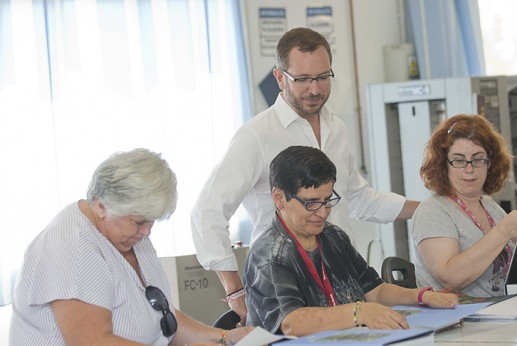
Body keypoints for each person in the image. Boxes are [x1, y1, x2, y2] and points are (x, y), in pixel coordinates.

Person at [191, 27, 420, 323]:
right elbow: (206, 213)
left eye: (323, 77)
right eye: (302, 80)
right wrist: (235, 291)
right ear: (279, 77)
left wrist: (426, 209)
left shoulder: (336, 128)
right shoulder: (256, 136)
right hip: (285, 284)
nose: (315, 89)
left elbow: (360, 199)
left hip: (340, 283)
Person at [9, 148, 252, 345]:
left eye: (151, 221)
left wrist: (224, 337)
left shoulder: (128, 233)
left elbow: (163, 317)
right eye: (139, 222)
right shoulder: (72, 248)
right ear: (102, 205)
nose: (147, 232)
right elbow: (94, 342)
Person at [244, 145, 458, 336]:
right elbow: (291, 323)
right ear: (279, 198)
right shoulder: (269, 255)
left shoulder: (332, 236)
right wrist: (359, 312)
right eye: (311, 203)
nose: (323, 213)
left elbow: (375, 290)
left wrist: (421, 297)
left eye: (327, 201)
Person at [411, 114, 517, 297]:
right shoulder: (432, 211)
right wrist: (503, 231)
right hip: (464, 318)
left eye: (478, 159)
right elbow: (450, 278)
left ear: (490, 163)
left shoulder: (487, 205)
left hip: (505, 309)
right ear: (442, 164)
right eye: (459, 160)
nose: (469, 169)